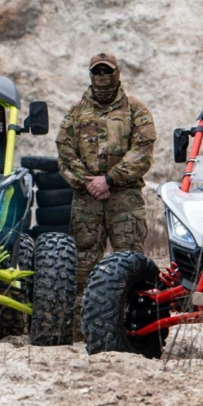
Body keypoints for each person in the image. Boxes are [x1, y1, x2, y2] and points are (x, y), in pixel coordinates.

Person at [56, 52, 156, 334]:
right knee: (83, 261)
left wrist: (110, 179)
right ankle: (81, 330)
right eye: (97, 72)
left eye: (106, 71)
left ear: (117, 73)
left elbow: (143, 151)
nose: (102, 77)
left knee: (130, 261)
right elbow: (64, 151)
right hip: (87, 199)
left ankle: (132, 326)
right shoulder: (76, 112)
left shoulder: (136, 109)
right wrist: (89, 182)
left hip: (124, 199)